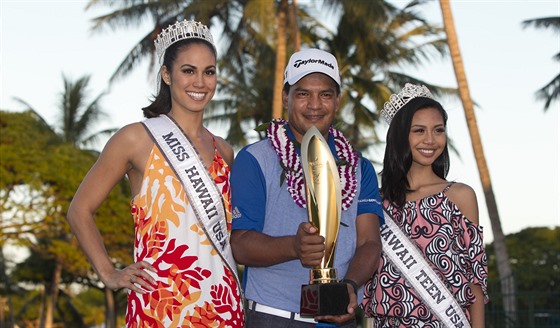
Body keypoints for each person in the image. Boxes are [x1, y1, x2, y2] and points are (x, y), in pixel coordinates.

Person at [67, 20, 244, 327]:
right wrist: (109, 273)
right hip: (160, 305)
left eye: (209, 71)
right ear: (166, 74)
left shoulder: (225, 151)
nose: (200, 82)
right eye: (188, 70)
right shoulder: (135, 139)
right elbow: (79, 210)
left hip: (222, 304)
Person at [230, 48, 384, 328]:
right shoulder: (255, 159)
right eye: (303, 94)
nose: (315, 104)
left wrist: (349, 285)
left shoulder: (359, 167)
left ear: (337, 101)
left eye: (325, 94)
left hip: (340, 320)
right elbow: (240, 245)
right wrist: (294, 246)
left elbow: (369, 242)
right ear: (286, 98)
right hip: (273, 317)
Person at [361, 83, 489, 327]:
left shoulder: (460, 196)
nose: (430, 140)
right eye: (419, 130)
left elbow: (475, 279)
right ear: (400, 136)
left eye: (438, 130)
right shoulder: (375, 201)